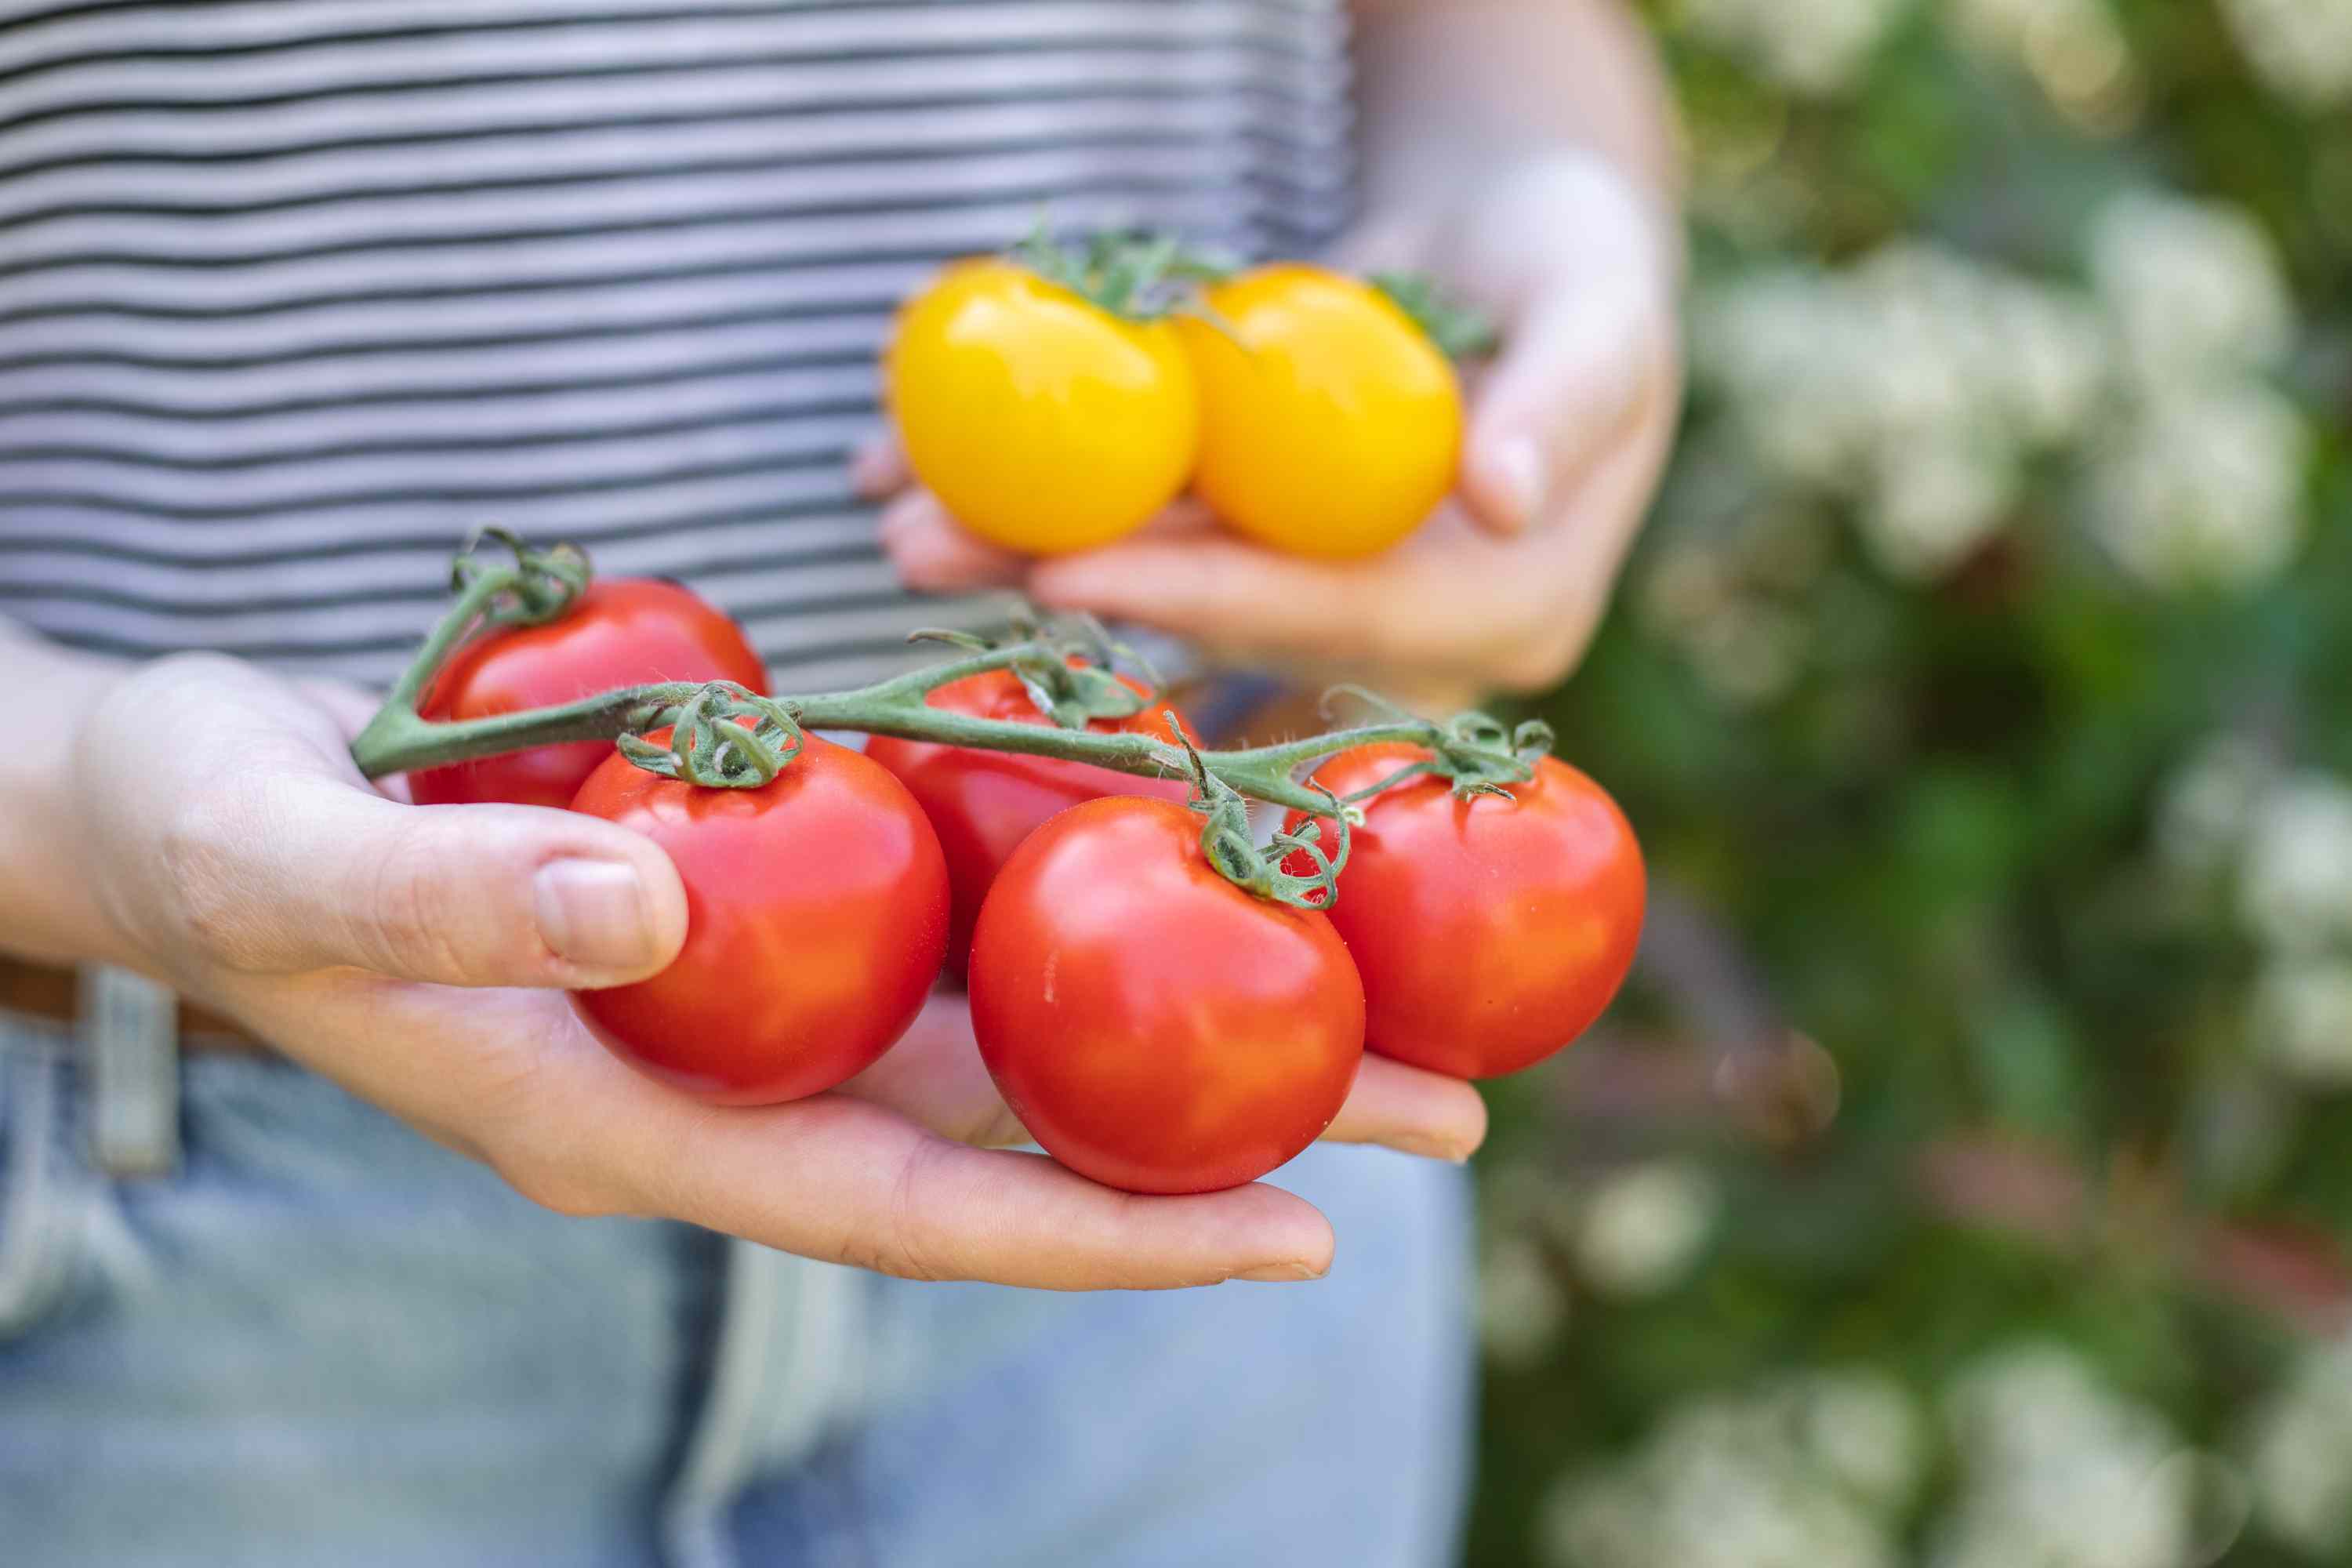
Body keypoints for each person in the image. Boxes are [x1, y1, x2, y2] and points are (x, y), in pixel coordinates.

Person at [0, 1, 1681, 1562]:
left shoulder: (1242, 865)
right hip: (166, 1215)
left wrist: (1539, 177)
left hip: (1221, 1232)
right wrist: (77, 800)